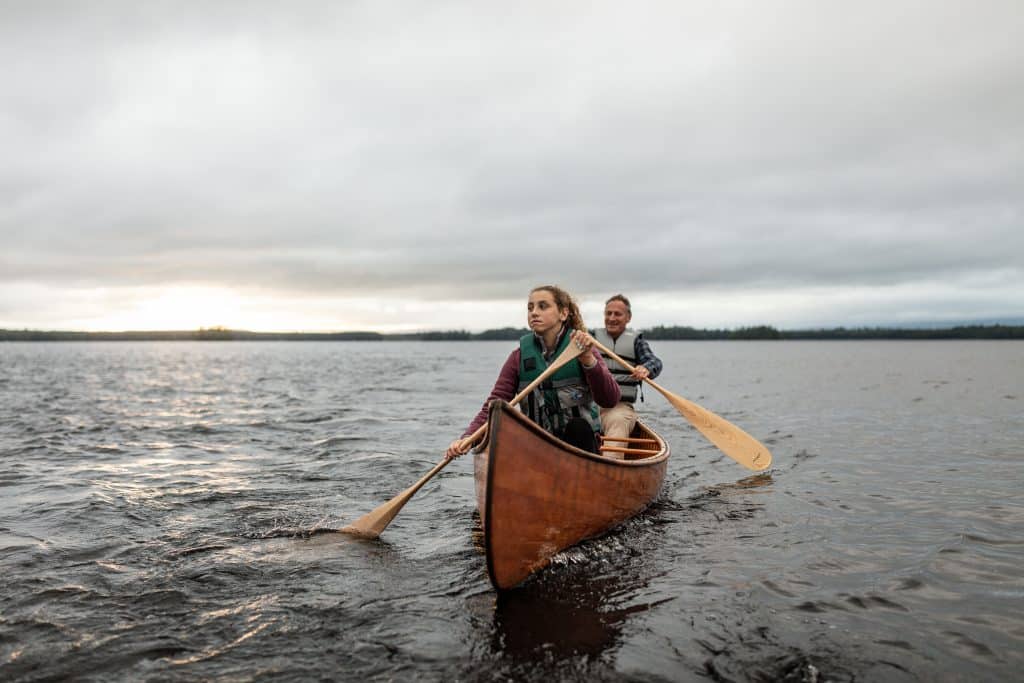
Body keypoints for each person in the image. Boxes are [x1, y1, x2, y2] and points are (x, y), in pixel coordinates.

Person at [446, 285, 620, 458]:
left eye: (543, 306)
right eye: (530, 308)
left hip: (580, 449)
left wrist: (588, 361)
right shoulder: (518, 358)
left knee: (578, 426)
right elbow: (493, 405)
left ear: (563, 314)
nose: (534, 313)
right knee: (510, 430)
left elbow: (610, 399)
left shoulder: (583, 350)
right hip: (538, 447)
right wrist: (468, 438)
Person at [591, 294, 663, 451]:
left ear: (628, 317)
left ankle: (610, 468)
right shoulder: (591, 338)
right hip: (589, 404)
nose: (611, 318)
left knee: (618, 420)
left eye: (617, 314)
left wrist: (646, 368)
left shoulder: (637, 342)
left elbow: (655, 362)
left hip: (619, 406)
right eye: (608, 313)